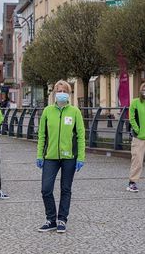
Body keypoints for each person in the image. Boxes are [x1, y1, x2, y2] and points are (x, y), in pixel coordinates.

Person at [36, 80, 85, 233]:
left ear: (69, 94)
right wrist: (40, 155)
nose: (61, 93)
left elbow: (81, 136)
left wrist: (81, 157)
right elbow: (42, 135)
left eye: (64, 90)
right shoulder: (47, 111)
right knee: (46, 189)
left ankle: (62, 219)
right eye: (58, 90)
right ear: (54, 93)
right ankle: (50, 219)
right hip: (50, 156)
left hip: (69, 157)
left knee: (66, 189)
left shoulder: (75, 112)